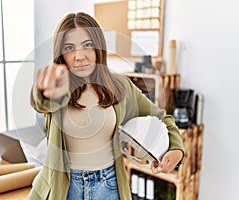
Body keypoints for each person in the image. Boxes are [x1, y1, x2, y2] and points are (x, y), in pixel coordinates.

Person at [28, 12, 184, 200]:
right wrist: (45, 91)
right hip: (65, 188)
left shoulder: (120, 85)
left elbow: (162, 118)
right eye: (69, 48)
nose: (79, 56)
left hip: (108, 186)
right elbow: (40, 103)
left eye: (87, 45)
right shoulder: (58, 86)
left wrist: (176, 148)